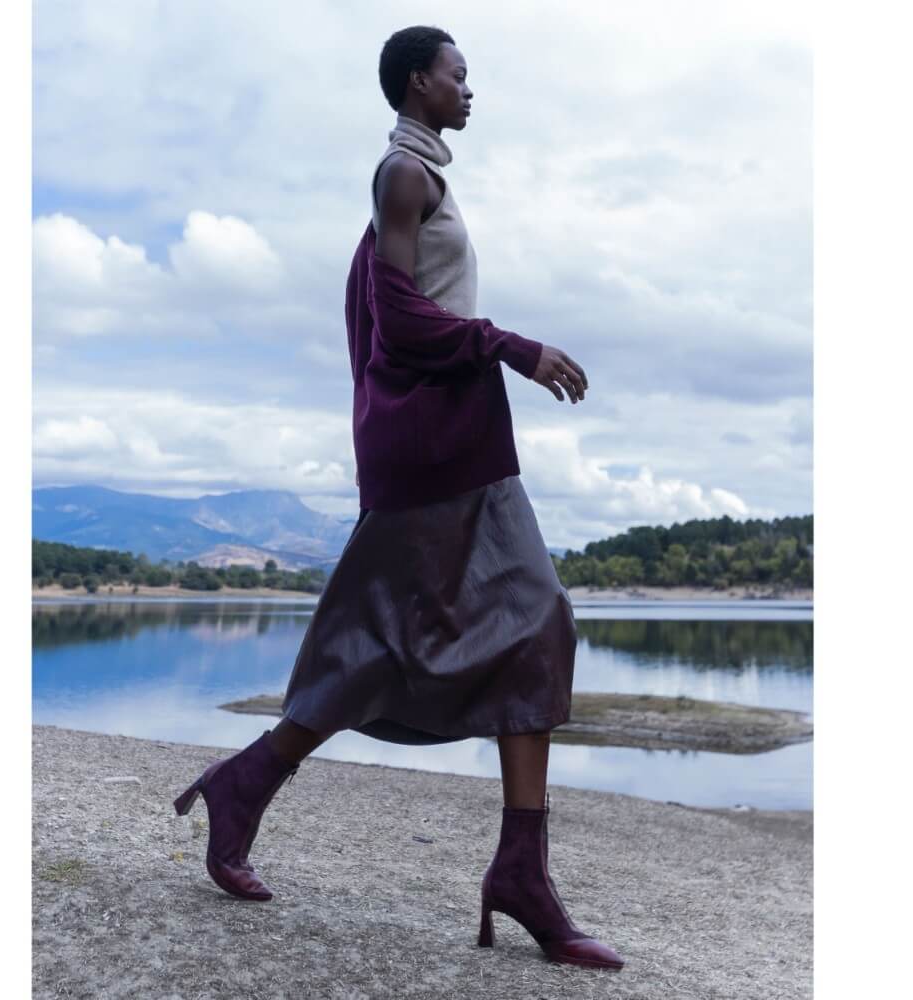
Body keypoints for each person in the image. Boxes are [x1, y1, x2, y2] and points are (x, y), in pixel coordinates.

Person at [174, 25, 624, 972]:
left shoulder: (422, 176)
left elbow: (410, 306)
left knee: (447, 633)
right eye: (459, 74)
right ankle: (511, 869)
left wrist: (494, 353)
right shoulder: (402, 177)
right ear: (420, 83)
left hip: (454, 444)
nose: (471, 89)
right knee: (492, 621)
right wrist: (513, 346)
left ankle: (259, 789)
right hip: (438, 451)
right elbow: (400, 313)